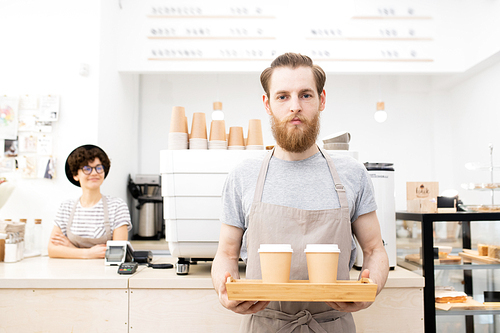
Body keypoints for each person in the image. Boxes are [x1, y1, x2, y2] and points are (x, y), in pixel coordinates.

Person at [211, 53, 389, 332]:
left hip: (332, 324)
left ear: (322, 100)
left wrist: (371, 289)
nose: (295, 106)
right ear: (267, 104)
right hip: (265, 324)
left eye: (305, 95)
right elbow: (226, 253)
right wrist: (225, 290)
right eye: (283, 96)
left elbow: (375, 249)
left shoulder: (353, 173)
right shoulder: (243, 175)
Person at [48, 144, 132, 259]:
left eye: (99, 168)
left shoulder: (117, 206)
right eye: (87, 169)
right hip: (70, 273)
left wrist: (70, 248)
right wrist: (88, 253)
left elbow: (118, 253)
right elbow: (52, 250)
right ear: (75, 175)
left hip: (106, 274)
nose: (94, 173)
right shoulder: (66, 207)